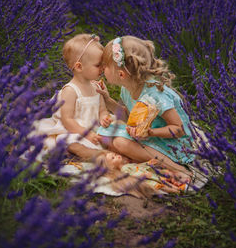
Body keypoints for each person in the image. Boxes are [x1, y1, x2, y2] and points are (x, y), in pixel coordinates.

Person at [96, 35, 195, 182]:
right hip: (152, 136)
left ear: (121, 74)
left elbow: (179, 129)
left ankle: (178, 169)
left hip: (174, 144)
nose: (102, 69)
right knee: (108, 138)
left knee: (119, 143)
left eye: (105, 67)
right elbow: (128, 116)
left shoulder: (155, 94)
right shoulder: (127, 88)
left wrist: (150, 132)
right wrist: (107, 99)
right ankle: (150, 159)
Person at [30, 34, 113, 160]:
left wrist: (104, 117)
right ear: (79, 67)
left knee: (114, 133)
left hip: (94, 129)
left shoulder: (96, 86)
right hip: (74, 130)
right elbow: (67, 120)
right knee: (66, 140)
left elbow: (102, 109)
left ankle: (112, 153)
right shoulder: (70, 90)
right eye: (98, 65)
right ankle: (97, 155)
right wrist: (86, 134)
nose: (102, 68)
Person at [95, 150, 188, 198]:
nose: (116, 156)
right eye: (113, 158)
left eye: (114, 154)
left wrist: (147, 163)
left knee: (163, 180)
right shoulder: (123, 170)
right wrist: (142, 176)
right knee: (162, 186)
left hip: (149, 174)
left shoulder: (127, 165)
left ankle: (179, 187)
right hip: (147, 179)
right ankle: (178, 191)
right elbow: (132, 177)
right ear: (111, 166)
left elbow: (138, 166)